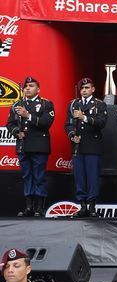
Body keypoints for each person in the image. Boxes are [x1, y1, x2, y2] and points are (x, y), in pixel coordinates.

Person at [5, 77, 54, 217]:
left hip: (39, 146)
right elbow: (10, 124)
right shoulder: (17, 104)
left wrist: (28, 115)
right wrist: (16, 132)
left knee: (39, 176)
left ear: (38, 89)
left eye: (31, 86)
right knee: (27, 176)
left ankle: (39, 208)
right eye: (26, 86)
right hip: (23, 145)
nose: (27, 88)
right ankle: (29, 207)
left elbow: (46, 122)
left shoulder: (46, 104)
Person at [65, 77, 107, 218]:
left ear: (93, 89)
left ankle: (92, 206)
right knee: (80, 177)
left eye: (87, 88)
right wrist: (72, 135)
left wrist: (84, 118)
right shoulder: (73, 104)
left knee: (92, 177)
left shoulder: (99, 104)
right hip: (78, 146)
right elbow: (68, 124)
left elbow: (101, 123)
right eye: (82, 88)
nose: (84, 90)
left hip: (93, 145)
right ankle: (82, 205)